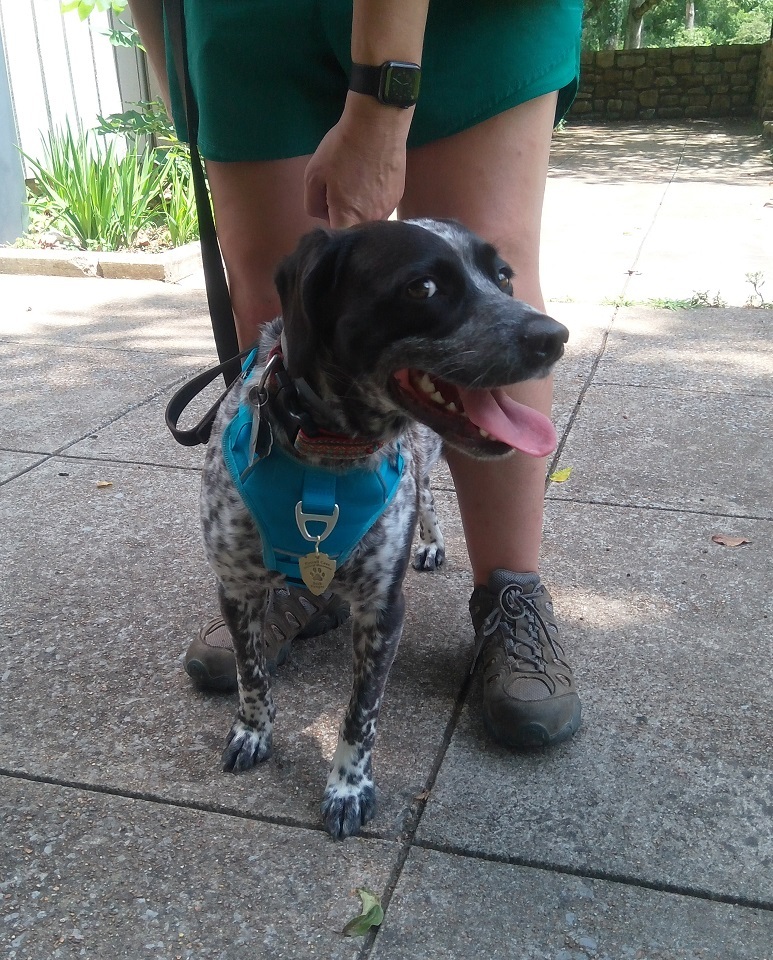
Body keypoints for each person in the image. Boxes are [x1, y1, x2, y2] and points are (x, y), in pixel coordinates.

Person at [129, 0, 584, 748]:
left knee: (486, 263)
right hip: (243, 19)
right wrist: (186, 89)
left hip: (468, 15)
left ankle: (510, 592)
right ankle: (301, 570)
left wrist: (382, 98)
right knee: (276, 286)